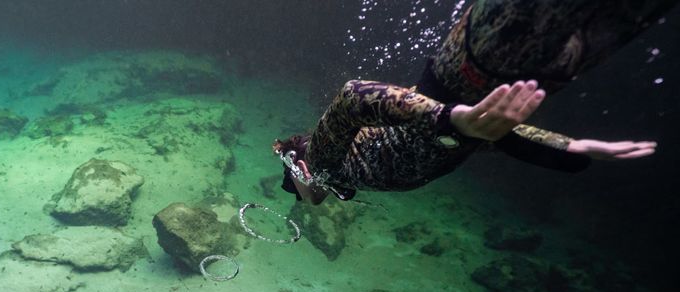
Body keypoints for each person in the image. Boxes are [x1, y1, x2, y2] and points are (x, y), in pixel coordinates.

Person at [274, 0, 674, 204]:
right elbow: (488, 136)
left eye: (297, 184)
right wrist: (570, 147)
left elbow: (353, 95)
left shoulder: (326, 160)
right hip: (521, 82)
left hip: (472, 68)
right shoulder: (355, 171)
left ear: (300, 165)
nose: (310, 199)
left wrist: (450, 119)